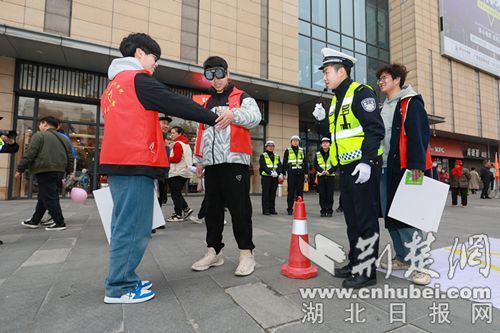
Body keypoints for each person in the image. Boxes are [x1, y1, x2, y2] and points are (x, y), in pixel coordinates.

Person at [99, 33, 229, 304]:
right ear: (139, 54)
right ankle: (120, 286)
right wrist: (212, 116)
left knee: (124, 224)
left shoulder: (112, 86)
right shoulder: (137, 80)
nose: (155, 64)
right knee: (134, 226)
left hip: (120, 162)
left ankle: (123, 278)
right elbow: (174, 101)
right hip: (134, 163)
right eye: (154, 58)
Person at [312, 48, 384, 289]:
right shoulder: (336, 100)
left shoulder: (361, 92)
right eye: (323, 72)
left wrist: (366, 161)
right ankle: (355, 263)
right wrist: (321, 121)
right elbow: (335, 135)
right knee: (352, 219)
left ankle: (367, 271)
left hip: (363, 165)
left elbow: (375, 129)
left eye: (327, 71)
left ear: (342, 71)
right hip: (346, 167)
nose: (324, 77)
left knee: (365, 219)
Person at [191, 56, 261, 276]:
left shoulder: (241, 96)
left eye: (219, 73)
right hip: (212, 164)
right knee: (212, 210)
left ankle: (246, 254)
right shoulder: (205, 102)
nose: (216, 79)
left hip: (234, 162)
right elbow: (200, 132)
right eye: (210, 75)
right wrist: (199, 160)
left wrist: (234, 114)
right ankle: (214, 251)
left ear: (227, 74)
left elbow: (256, 117)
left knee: (239, 209)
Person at [376, 63, 433, 285]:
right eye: (379, 78)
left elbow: (419, 134)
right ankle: (403, 257)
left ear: (397, 79)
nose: (381, 81)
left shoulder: (410, 103)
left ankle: (421, 265)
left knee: (407, 216)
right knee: (390, 215)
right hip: (384, 168)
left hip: (405, 168)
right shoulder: (384, 107)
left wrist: (416, 165)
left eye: (385, 77)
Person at [16, 116, 74, 231]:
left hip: (45, 170)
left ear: (45, 124)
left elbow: (30, 153)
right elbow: (70, 157)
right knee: (44, 196)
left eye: (40, 124)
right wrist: (69, 171)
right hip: (59, 171)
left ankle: (59, 222)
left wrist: (20, 169)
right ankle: (35, 220)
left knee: (50, 197)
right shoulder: (64, 139)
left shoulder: (39, 136)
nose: (39, 126)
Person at [166, 126, 193, 222]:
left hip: (178, 171)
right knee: (177, 193)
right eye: (171, 133)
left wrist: (166, 159)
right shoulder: (185, 143)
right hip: (185, 171)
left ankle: (178, 214)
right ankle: (186, 208)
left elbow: (177, 158)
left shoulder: (177, 144)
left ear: (179, 134)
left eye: (173, 133)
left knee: (175, 194)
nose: (171, 135)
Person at [282, 135, 308, 215]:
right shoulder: (288, 150)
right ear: (291, 142)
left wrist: (306, 173)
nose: (295, 142)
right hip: (291, 174)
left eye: (297, 141)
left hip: (300, 173)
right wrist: (284, 173)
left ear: (299, 142)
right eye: (294, 140)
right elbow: (285, 162)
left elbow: (305, 162)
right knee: (291, 191)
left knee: (300, 191)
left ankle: (299, 207)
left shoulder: (302, 150)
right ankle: (290, 208)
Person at [259, 140, 283, 215]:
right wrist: (270, 172)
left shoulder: (276, 156)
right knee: (266, 194)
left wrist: (277, 173)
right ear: (266, 147)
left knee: (272, 194)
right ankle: (266, 210)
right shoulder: (263, 155)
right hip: (266, 177)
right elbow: (263, 166)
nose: (271, 147)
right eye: (269, 146)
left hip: (275, 177)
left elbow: (279, 166)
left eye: (272, 146)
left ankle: (272, 209)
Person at [314, 137, 335, 217]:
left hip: (330, 176)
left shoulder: (333, 153)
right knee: (322, 194)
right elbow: (315, 165)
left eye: (327, 142)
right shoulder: (317, 154)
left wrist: (329, 171)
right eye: (323, 143)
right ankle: (323, 210)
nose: (325, 144)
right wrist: (321, 170)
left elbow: (336, 165)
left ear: (329, 144)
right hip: (321, 176)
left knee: (330, 194)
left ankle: (329, 211)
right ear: (321, 145)